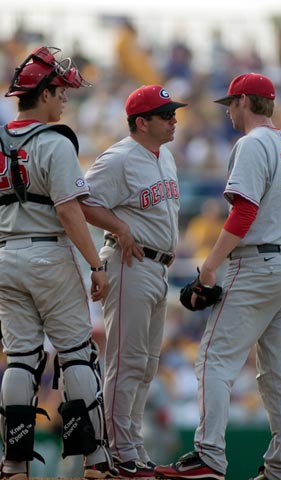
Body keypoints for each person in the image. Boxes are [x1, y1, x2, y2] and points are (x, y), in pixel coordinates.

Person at [154, 72, 281, 480]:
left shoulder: (251, 144)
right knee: (278, 374)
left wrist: (209, 267)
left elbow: (243, 212)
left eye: (231, 103)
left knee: (212, 359)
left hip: (256, 265)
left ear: (245, 101)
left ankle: (208, 457)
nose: (228, 110)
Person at [0, 46, 117, 480]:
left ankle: (13, 465)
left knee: (21, 359)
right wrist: (95, 264)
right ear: (44, 93)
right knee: (76, 354)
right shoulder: (54, 141)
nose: (65, 99)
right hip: (48, 253)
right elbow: (70, 211)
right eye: (61, 91)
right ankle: (95, 460)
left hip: (5, 254)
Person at [81, 84, 187, 477]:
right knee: (126, 363)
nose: (174, 119)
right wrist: (120, 226)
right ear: (141, 122)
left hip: (158, 269)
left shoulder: (166, 155)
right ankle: (116, 450)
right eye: (165, 114)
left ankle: (131, 445)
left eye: (173, 112)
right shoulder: (120, 157)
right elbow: (82, 200)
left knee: (145, 366)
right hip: (130, 263)